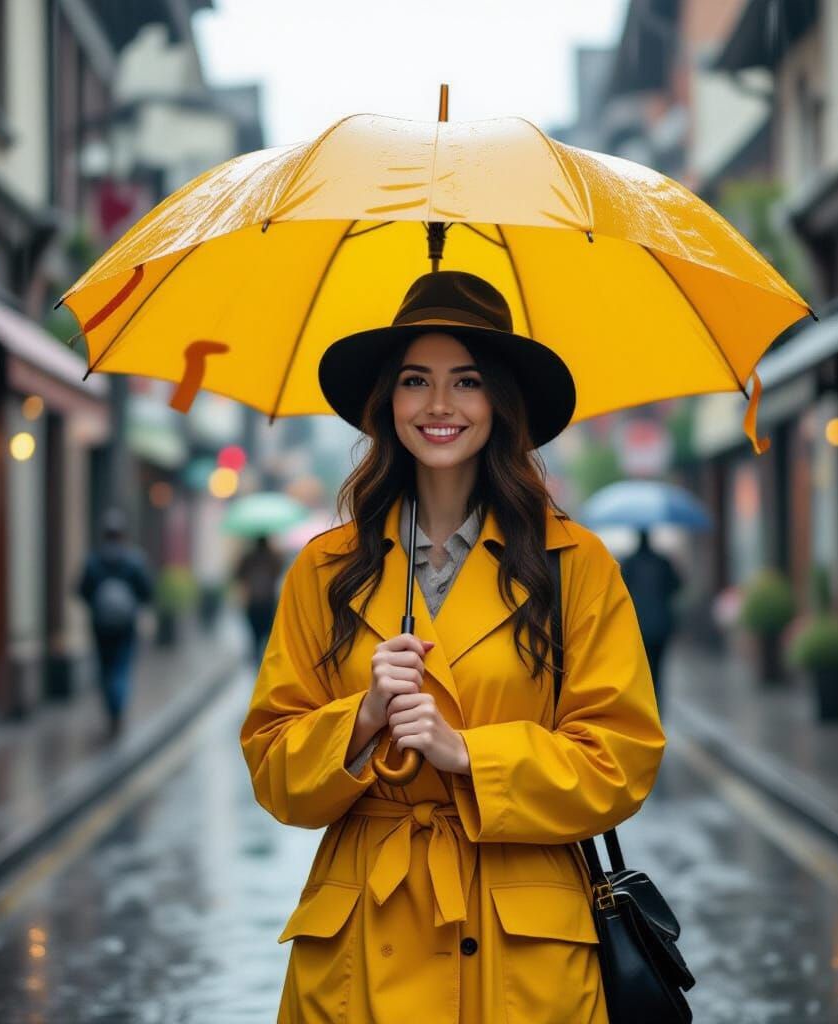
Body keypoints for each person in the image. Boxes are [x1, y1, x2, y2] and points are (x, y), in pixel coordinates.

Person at [240, 272, 666, 1024]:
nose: (439, 405)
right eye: (416, 381)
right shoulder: (324, 569)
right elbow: (274, 769)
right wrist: (363, 717)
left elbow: (619, 761)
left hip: (523, 955)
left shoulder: (575, 564)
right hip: (361, 943)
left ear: (500, 402)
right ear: (388, 402)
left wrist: (468, 754)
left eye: (466, 381)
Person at [78, 508, 153, 738]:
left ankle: (112, 710)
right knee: (121, 667)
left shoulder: (93, 560)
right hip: (126, 625)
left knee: (105, 668)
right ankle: (118, 708)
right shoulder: (134, 560)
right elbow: (147, 591)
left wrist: (96, 605)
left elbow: (82, 590)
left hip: (100, 625)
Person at [621, 529, 683, 717]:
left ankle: (646, 709)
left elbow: (620, 591)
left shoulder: (629, 563)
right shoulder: (662, 562)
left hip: (638, 625)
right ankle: (657, 709)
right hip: (661, 625)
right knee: (658, 670)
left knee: (642, 671)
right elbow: (677, 585)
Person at [236, 536, 283, 661]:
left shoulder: (249, 558)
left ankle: (258, 660)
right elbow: (279, 570)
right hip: (268, 602)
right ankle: (266, 661)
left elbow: (239, 575)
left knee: (256, 637)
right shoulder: (272, 558)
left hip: (254, 602)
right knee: (268, 637)